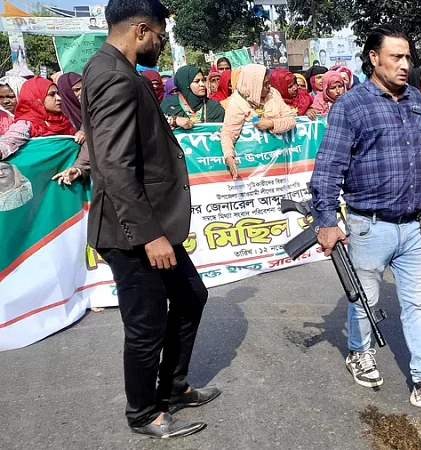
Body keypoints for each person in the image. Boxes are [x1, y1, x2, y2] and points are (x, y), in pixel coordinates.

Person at [310, 24, 421, 418]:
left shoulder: (415, 99)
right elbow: (328, 168)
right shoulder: (351, 105)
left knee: (415, 305)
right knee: (366, 302)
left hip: (414, 227)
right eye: (396, 56)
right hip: (368, 225)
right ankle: (360, 353)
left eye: (407, 57)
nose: (404, 64)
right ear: (373, 58)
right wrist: (327, 220)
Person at [81, 0, 218, 439]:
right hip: (133, 231)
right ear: (141, 30)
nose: (161, 43)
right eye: (160, 35)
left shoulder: (115, 70)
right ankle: (143, 413)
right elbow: (116, 167)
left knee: (191, 296)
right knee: (146, 325)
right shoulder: (113, 76)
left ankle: (173, 389)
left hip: (150, 223)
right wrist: (148, 236)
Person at [221, 64, 296, 179]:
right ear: (254, 85)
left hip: (279, 161)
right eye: (265, 84)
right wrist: (229, 157)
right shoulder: (237, 102)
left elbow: (290, 120)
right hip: (254, 167)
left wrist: (271, 124)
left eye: (269, 82)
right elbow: (228, 133)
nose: (269, 86)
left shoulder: (273, 94)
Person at [0, 77, 84, 160]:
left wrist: (83, 134)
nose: (59, 98)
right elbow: (11, 139)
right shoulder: (26, 123)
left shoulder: (63, 119)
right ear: (38, 98)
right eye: (52, 94)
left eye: (58, 93)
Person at [160, 66, 225, 123]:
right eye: (196, 81)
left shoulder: (214, 107)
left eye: (203, 80)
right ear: (185, 84)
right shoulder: (168, 105)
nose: (202, 84)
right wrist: (174, 121)